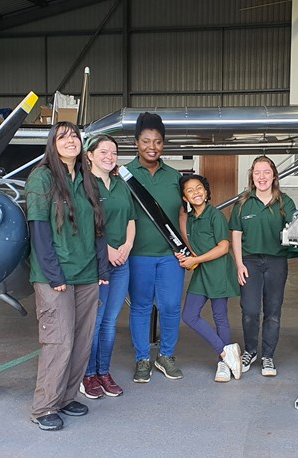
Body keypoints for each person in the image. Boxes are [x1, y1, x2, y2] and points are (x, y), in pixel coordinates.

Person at [25, 121, 111, 431]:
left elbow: (99, 228)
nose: (70, 140)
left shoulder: (88, 180)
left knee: (81, 340)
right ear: (52, 143)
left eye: (74, 135)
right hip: (55, 275)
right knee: (58, 340)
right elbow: (39, 229)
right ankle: (44, 406)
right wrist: (52, 273)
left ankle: (65, 397)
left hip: (86, 273)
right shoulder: (42, 178)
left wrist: (102, 268)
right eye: (62, 137)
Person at [125, 112, 186, 382]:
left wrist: (190, 248)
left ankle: (166, 356)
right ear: (136, 142)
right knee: (140, 307)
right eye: (146, 141)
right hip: (138, 255)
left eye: (158, 142)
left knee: (171, 306)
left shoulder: (175, 177)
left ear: (164, 144)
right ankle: (142, 359)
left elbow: (186, 215)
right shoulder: (123, 175)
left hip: (170, 256)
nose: (152, 147)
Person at [230, 156, 297, 377]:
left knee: (273, 311)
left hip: (276, 262)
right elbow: (236, 234)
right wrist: (239, 264)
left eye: (266, 172)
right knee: (250, 310)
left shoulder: (285, 203)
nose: (262, 177)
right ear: (252, 176)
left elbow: (294, 231)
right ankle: (250, 350)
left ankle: (268, 355)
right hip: (250, 261)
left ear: (274, 175)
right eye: (257, 172)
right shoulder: (243, 202)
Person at [80, 135, 136, 399]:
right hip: (97, 263)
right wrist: (109, 250)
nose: (109, 156)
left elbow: (131, 219)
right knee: (96, 321)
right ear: (89, 155)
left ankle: (104, 371)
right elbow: (82, 225)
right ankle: (88, 374)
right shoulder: (83, 185)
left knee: (111, 321)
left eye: (113, 152)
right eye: (103, 151)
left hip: (121, 262)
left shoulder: (120, 185)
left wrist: (126, 246)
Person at [176, 174, 243, 382]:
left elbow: (223, 248)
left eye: (199, 188)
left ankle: (223, 365)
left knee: (220, 316)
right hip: (203, 270)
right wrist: (188, 259)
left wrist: (197, 260)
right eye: (190, 190)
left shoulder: (215, 215)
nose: (195, 192)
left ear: (206, 192)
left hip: (218, 270)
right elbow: (196, 249)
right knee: (189, 315)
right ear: (185, 198)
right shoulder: (192, 220)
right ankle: (225, 352)